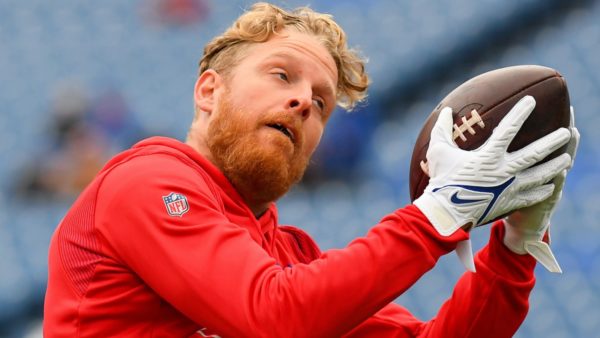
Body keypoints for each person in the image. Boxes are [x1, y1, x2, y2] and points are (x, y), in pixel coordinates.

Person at [43, 2, 579, 337]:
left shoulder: (287, 256)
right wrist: (437, 213)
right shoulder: (146, 182)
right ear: (210, 90)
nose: (303, 101)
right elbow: (274, 318)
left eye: (321, 102)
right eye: (282, 75)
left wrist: (513, 249)